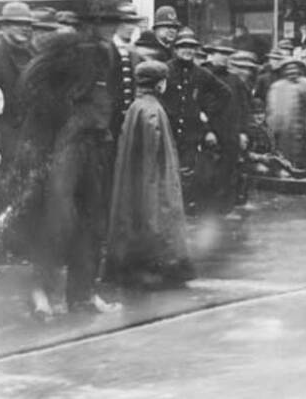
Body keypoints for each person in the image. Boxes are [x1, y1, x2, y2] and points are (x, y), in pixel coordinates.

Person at [16, 32, 120, 317]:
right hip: (60, 153)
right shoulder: (70, 70)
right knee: (60, 222)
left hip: (82, 151)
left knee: (82, 223)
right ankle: (52, 294)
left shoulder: (63, 68)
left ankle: (74, 295)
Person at [105, 60, 195, 290]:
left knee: (134, 214)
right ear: (160, 84)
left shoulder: (136, 106)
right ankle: (160, 268)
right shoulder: (154, 109)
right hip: (153, 175)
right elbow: (154, 150)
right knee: (157, 214)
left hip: (134, 176)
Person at [162, 29, 231, 207]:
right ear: (176, 49)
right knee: (167, 169)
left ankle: (184, 207)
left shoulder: (201, 74)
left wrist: (207, 112)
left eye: (191, 47)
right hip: (168, 129)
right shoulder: (166, 70)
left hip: (191, 132)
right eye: (183, 46)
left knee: (188, 171)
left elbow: (225, 93)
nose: (188, 50)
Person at [0, 1, 36, 172]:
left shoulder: (34, 55)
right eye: (18, 24)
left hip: (34, 132)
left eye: (28, 24)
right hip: (8, 137)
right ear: (3, 27)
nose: (25, 28)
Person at [202, 40, 249, 215]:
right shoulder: (204, 76)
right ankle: (209, 210)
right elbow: (197, 107)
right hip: (211, 134)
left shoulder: (235, 80)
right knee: (209, 172)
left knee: (230, 171)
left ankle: (226, 210)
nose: (223, 58)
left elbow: (244, 108)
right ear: (211, 54)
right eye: (219, 53)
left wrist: (243, 132)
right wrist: (206, 130)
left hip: (232, 133)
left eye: (226, 54)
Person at [106, 3, 145, 140]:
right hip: (109, 120)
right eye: (126, 22)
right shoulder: (106, 50)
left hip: (131, 118)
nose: (130, 27)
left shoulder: (135, 53)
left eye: (133, 23)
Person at [267, 58, 306, 168]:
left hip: (304, 130)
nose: (292, 72)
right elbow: (272, 110)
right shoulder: (277, 87)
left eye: (294, 69)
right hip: (284, 130)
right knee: (285, 156)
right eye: (288, 70)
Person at [245, 98, 293, 178]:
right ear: (250, 115)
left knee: (286, 173)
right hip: (252, 163)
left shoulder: (267, 130)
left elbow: (273, 149)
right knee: (263, 170)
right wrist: (261, 157)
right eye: (256, 113)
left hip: (268, 162)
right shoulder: (247, 130)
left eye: (262, 113)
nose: (259, 116)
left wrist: (281, 158)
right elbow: (245, 154)